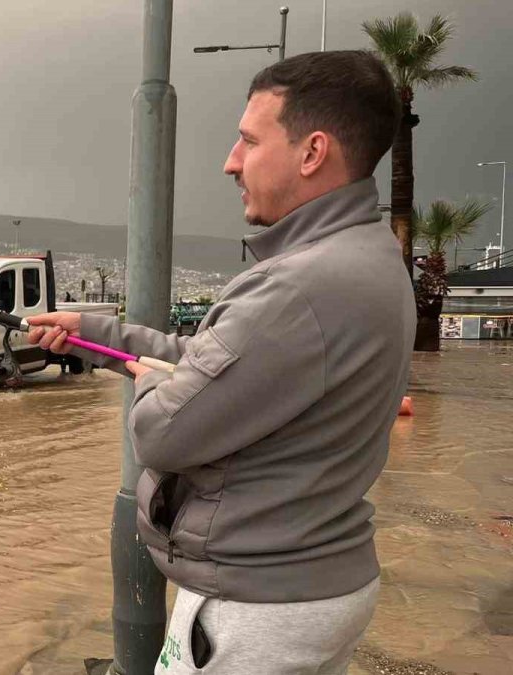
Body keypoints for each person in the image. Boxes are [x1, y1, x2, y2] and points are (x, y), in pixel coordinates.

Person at [28, 51, 413, 674]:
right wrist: (93, 335)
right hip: (312, 585)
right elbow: (219, 370)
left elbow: (164, 432)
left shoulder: (297, 288)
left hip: (255, 608)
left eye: (248, 140)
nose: (230, 162)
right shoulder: (367, 257)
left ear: (312, 152)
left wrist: (152, 388)